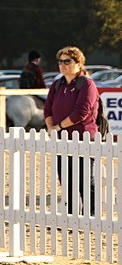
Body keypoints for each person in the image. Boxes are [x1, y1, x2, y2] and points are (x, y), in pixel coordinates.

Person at [43, 46, 100, 215]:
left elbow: (81, 112)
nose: (63, 65)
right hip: (62, 139)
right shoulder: (57, 84)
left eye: (67, 61)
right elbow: (48, 110)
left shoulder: (86, 84)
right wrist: (51, 128)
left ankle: (91, 215)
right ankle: (72, 215)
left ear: (78, 62)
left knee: (84, 180)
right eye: (60, 61)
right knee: (66, 180)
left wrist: (58, 127)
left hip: (83, 137)